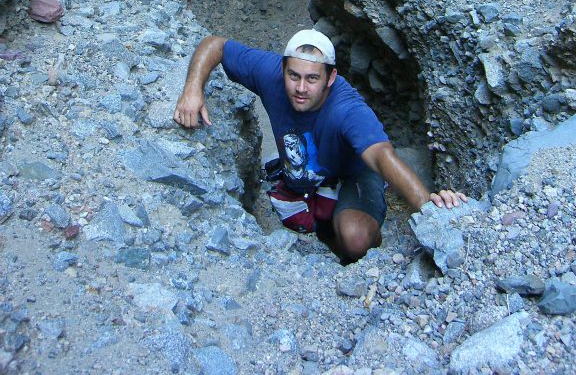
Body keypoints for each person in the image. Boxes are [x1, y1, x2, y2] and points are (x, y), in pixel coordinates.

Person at [173, 30, 467, 263]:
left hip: (352, 173)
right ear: (283, 68)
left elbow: (380, 155)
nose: (301, 88)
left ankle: (363, 248)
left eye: (313, 79)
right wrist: (192, 89)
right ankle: (320, 215)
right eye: (294, 76)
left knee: (354, 240)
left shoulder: (347, 108)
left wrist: (430, 208)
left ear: (331, 77)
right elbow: (216, 45)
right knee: (313, 219)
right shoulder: (269, 72)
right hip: (304, 167)